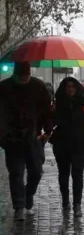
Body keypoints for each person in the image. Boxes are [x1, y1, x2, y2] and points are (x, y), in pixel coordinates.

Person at [0, 62, 52, 221]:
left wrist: (47, 132)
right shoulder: (3, 88)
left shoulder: (39, 87)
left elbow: (46, 111)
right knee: (16, 173)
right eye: (21, 77)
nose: (24, 79)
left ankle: (28, 194)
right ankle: (18, 206)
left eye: (26, 76)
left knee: (36, 171)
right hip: (12, 140)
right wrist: (3, 136)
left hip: (33, 138)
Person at [49, 77, 84, 217]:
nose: (70, 89)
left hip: (80, 142)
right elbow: (51, 123)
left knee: (77, 174)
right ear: (64, 88)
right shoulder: (57, 103)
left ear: (76, 88)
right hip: (61, 142)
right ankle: (65, 202)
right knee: (64, 174)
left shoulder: (83, 103)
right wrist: (52, 111)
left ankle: (77, 204)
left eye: (73, 86)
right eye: (67, 87)